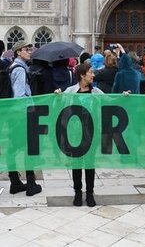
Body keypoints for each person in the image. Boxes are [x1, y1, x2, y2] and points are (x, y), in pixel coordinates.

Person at [60, 62, 102, 207]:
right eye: (91, 72)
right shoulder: (70, 91)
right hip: (75, 133)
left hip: (91, 132)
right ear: (82, 75)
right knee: (76, 163)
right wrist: (57, 95)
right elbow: (58, 103)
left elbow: (111, 100)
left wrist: (124, 96)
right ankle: (78, 192)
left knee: (90, 163)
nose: (93, 75)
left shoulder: (96, 91)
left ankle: (90, 193)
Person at [8, 41, 42, 196]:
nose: (29, 52)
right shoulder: (20, 70)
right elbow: (20, 95)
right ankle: (30, 183)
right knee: (30, 147)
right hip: (23, 114)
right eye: (26, 50)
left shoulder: (13, 67)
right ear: (18, 52)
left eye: (30, 49)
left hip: (14, 113)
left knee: (13, 147)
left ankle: (14, 181)